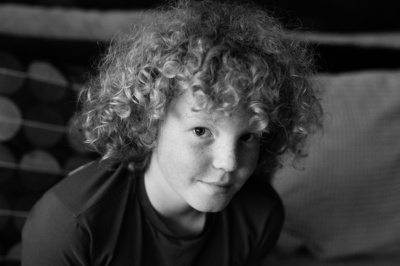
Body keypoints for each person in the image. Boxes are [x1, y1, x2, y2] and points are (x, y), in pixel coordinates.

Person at [22, 0, 322, 265]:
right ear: (149, 124)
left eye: (247, 137)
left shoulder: (260, 215)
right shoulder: (70, 223)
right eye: (202, 130)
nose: (229, 163)